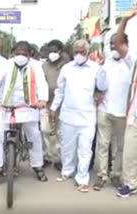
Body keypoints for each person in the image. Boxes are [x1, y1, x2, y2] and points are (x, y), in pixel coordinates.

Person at [49, 40, 108, 193]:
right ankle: (67, 171)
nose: (79, 54)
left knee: (85, 149)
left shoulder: (95, 68)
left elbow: (102, 86)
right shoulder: (67, 68)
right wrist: (54, 108)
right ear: (72, 52)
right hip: (68, 115)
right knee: (68, 147)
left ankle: (82, 178)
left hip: (87, 117)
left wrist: (102, 67)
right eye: (76, 51)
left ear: (87, 52)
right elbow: (60, 90)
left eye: (82, 51)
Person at [0, 41, 49, 182]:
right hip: (7, 107)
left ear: (30, 55)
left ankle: (37, 166)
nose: (20, 56)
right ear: (13, 53)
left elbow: (42, 84)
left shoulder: (36, 66)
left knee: (34, 134)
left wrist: (42, 100)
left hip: (28, 107)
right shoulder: (5, 64)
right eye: (18, 53)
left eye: (24, 54)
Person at [93, 34, 131, 191]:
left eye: (117, 44)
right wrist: (101, 67)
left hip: (123, 112)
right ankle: (102, 175)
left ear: (124, 45)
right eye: (111, 44)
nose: (113, 47)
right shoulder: (105, 63)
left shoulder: (130, 63)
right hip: (105, 110)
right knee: (102, 144)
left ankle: (116, 175)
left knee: (119, 146)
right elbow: (101, 87)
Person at [115, 8, 137, 198]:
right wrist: (124, 20)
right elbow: (119, 44)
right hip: (135, 118)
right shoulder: (134, 61)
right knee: (129, 154)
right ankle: (130, 184)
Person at [40, 40, 70, 171]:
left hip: (62, 104)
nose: (52, 53)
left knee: (59, 133)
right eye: (50, 51)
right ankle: (46, 156)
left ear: (60, 51)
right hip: (46, 103)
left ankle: (58, 159)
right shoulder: (44, 66)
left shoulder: (66, 66)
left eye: (54, 51)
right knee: (44, 129)